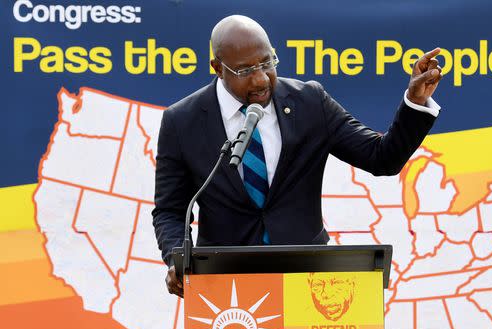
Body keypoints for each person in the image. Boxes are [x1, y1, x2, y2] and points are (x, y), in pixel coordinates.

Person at [152, 15, 443, 297]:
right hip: (223, 287)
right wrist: (178, 259)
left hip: (307, 281)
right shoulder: (182, 121)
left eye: (267, 63)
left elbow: (382, 158)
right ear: (218, 67)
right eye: (245, 71)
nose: (260, 79)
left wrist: (414, 103)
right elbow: (170, 210)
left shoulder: (309, 102)